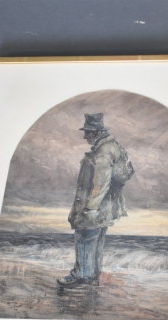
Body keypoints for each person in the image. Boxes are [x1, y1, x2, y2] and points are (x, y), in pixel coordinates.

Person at [57, 113, 134, 286]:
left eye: (88, 132)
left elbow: (100, 182)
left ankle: (82, 276)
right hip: (106, 205)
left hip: (96, 205)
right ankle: (92, 273)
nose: (85, 136)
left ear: (97, 132)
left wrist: (90, 207)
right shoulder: (114, 146)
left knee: (85, 237)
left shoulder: (103, 152)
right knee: (96, 240)